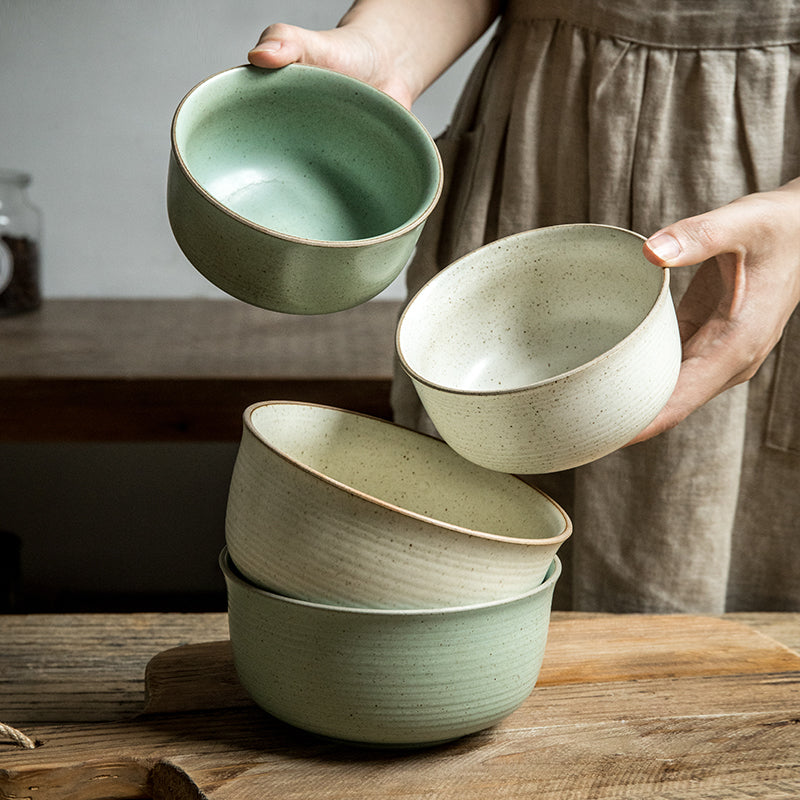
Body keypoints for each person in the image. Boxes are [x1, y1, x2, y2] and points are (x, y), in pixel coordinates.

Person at [249, 0, 800, 613]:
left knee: (730, 614)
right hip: (541, 156)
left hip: (769, 199)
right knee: (467, 557)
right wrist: (386, 48)